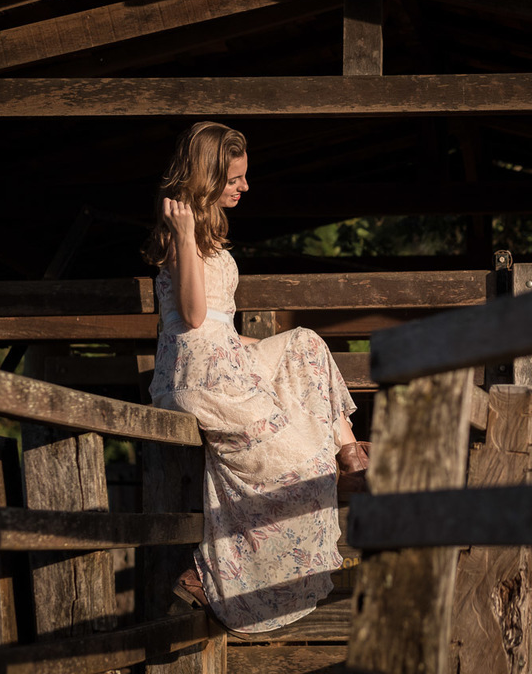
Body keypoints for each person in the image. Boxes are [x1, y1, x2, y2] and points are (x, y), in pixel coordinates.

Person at [143, 121, 370, 633]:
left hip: (224, 353)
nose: (244, 187)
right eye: (233, 179)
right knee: (295, 458)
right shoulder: (181, 232)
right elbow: (196, 319)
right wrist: (181, 235)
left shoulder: (206, 234)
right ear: (205, 177)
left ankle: (350, 453)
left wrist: (267, 352)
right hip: (200, 373)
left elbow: (219, 324)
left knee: (305, 342)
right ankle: (209, 575)